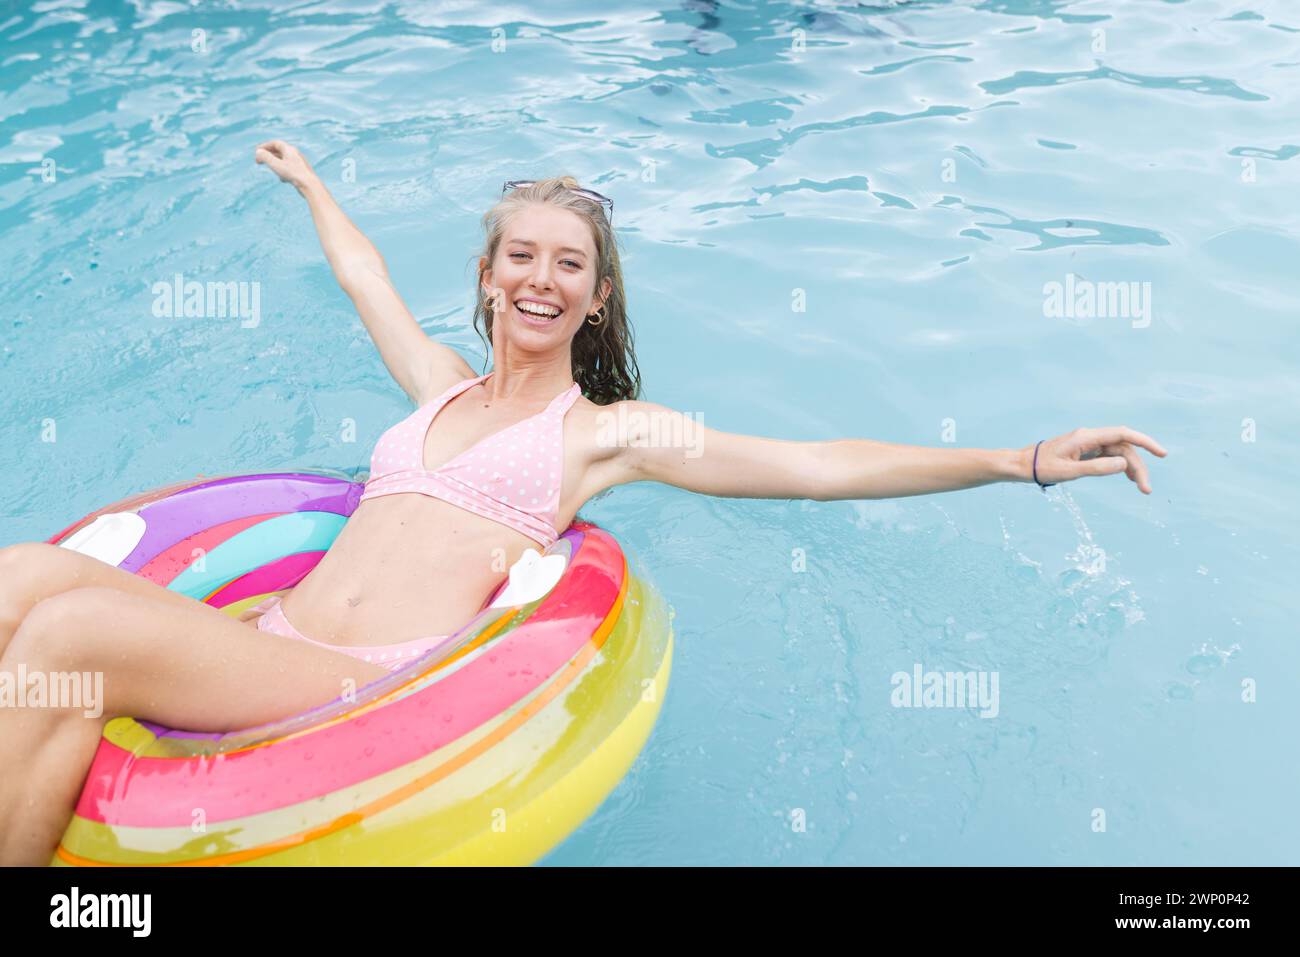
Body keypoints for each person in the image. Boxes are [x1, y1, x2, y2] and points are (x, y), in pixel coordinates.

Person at [0, 141, 1166, 865]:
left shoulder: (603, 438)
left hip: (349, 685)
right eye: (520, 257)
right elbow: (363, 280)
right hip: (265, 636)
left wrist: (1017, 457)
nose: (539, 280)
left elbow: (816, 462)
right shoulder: (435, 393)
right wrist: (314, 187)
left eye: (567, 265)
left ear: (597, 300)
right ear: (488, 277)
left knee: (67, 636)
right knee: (18, 575)